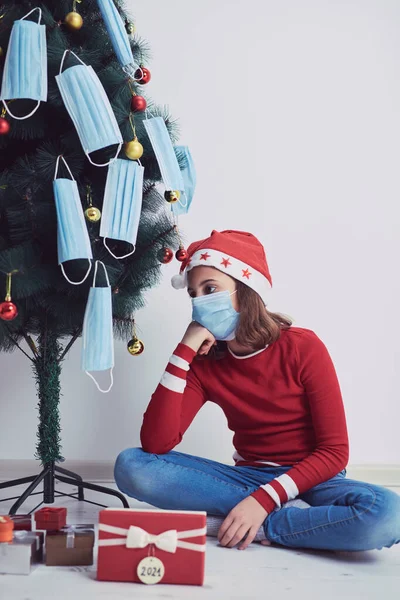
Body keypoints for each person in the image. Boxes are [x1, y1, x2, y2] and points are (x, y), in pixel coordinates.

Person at [114, 229, 400, 552]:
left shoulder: (303, 348)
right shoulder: (206, 362)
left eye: (210, 289)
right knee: (130, 465)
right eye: (193, 294)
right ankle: (299, 522)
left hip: (315, 480)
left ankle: (258, 524)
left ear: (245, 290)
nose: (200, 303)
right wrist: (184, 349)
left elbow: (334, 452)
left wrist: (263, 502)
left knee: (389, 515)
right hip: (247, 480)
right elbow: (155, 442)